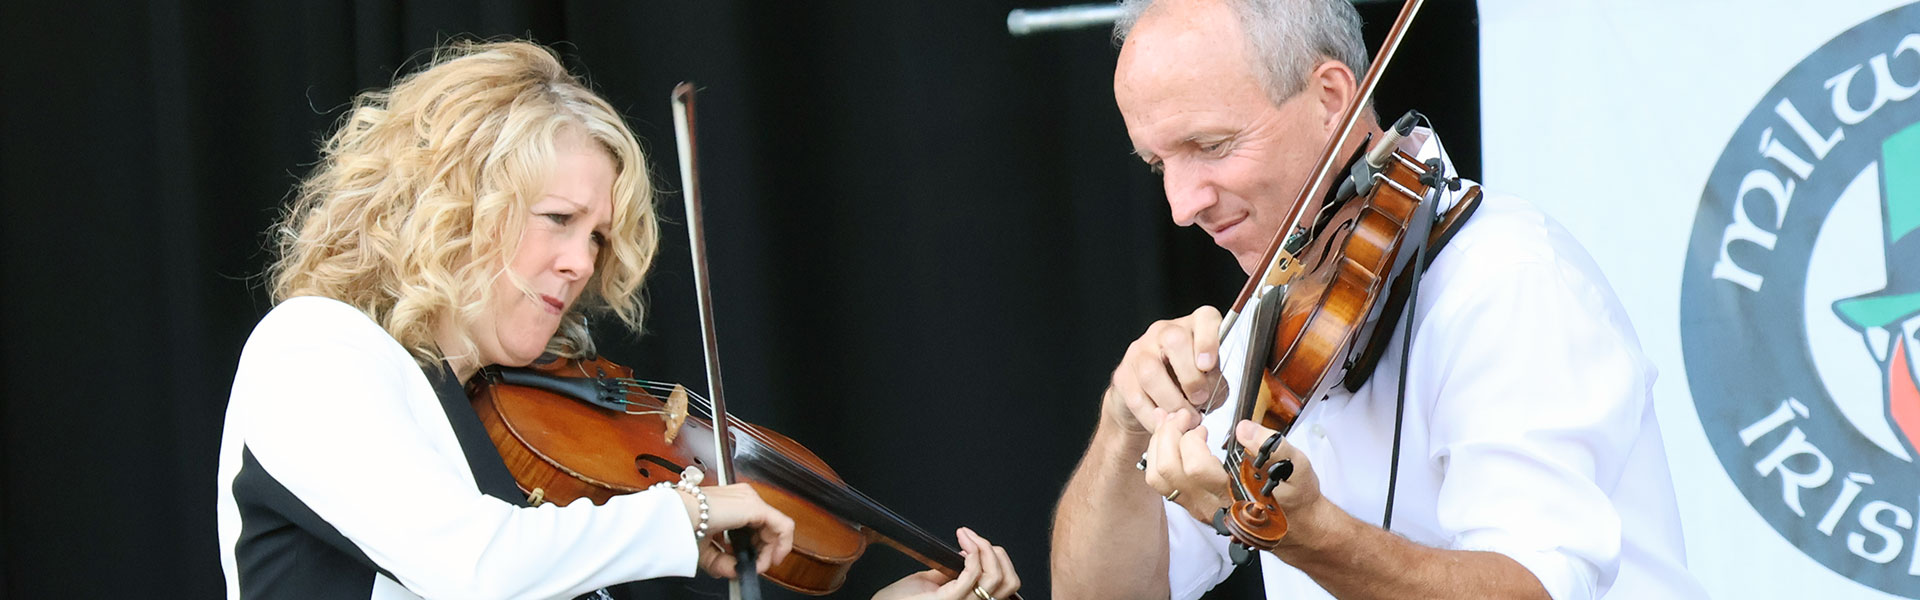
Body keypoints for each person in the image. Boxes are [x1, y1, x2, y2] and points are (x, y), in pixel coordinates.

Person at [215, 40, 1021, 600]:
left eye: (596, 236)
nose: (582, 262)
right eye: (558, 219)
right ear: (451, 208)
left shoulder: (482, 424)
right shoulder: (315, 350)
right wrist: (687, 511)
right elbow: (474, 567)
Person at [1049, 1, 1704, 599]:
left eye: (1212, 146)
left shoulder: (1507, 280)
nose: (1182, 204)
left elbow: (1532, 588)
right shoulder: (1277, 302)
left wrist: (1314, 537)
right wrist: (1120, 428)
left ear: (1330, 96)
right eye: (1160, 164)